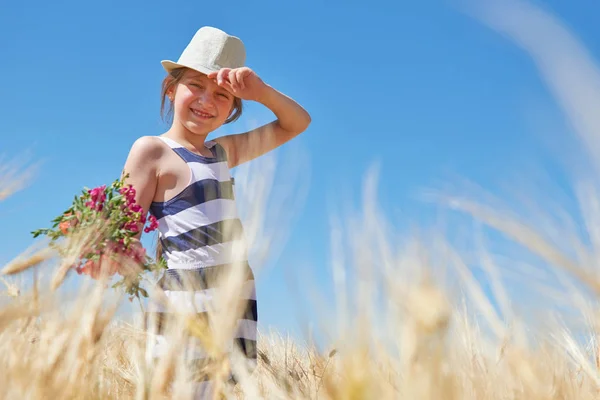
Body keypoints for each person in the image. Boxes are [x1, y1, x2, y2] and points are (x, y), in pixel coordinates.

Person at [121, 26, 311, 397]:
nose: (207, 101)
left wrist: (261, 92)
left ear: (232, 109)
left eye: (222, 95)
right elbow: (121, 231)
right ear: (171, 88)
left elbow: (297, 123)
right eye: (196, 85)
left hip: (236, 294)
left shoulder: (222, 153)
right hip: (186, 298)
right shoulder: (153, 151)